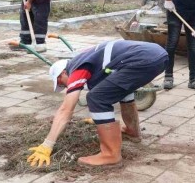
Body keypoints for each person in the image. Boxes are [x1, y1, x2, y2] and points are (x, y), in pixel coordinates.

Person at [27, 40, 168, 168]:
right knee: (121, 91)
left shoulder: (76, 68)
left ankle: (110, 155)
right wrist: (98, 119)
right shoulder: (88, 59)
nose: (67, 86)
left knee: (96, 98)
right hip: (157, 54)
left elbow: (66, 110)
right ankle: (133, 132)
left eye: (62, 83)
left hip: (142, 58)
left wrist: (47, 145)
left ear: (63, 73)